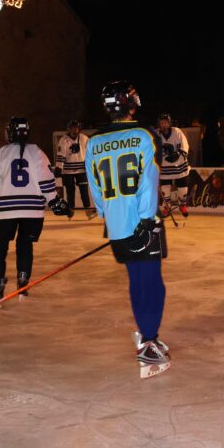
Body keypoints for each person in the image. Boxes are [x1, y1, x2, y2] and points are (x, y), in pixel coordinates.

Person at [86, 81, 171, 378]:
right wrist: (146, 221)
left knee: (137, 280)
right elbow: (148, 181)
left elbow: (95, 187)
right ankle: (148, 344)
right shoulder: (144, 135)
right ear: (131, 104)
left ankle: (148, 335)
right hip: (142, 223)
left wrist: (109, 216)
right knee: (152, 284)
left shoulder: (94, 142)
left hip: (116, 226)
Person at [0, 117, 71, 302]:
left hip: (5, 211)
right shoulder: (37, 152)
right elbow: (47, 183)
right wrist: (55, 203)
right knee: (25, 245)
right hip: (33, 211)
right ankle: (23, 282)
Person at [55, 120, 96, 219]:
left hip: (82, 170)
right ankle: (70, 211)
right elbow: (60, 155)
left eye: (76, 127)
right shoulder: (63, 140)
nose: (75, 129)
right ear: (69, 129)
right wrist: (59, 167)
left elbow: (90, 153)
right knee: (70, 191)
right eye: (73, 128)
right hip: (67, 171)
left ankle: (88, 211)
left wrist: (92, 165)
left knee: (84, 191)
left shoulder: (84, 138)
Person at [155, 113, 190, 218]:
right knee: (165, 189)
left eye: (165, 122)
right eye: (161, 123)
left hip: (179, 165)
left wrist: (179, 154)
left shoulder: (177, 132)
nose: (163, 124)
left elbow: (184, 145)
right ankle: (167, 206)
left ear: (169, 123)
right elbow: (152, 149)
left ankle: (182, 205)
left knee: (183, 188)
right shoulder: (156, 134)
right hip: (164, 167)